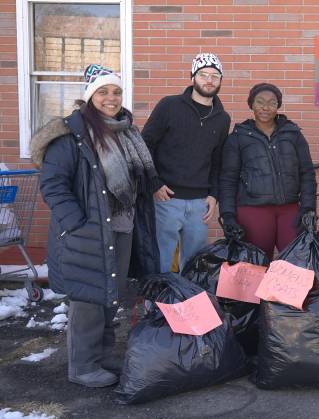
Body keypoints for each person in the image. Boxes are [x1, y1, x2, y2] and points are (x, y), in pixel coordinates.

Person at [32, 65, 159, 387]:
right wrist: (76, 222)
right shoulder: (71, 137)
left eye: (116, 91)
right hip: (87, 231)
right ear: (89, 96)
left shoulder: (126, 132)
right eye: (103, 91)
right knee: (88, 299)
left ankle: (101, 357)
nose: (111, 98)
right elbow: (53, 185)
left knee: (109, 295)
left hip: (121, 225)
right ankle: (83, 367)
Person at [142, 53, 231, 273]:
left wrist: (214, 194)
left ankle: (188, 304)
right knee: (161, 259)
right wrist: (154, 182)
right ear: (193, 76)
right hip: (166, 198)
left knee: (194, 264)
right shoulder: (169, 106)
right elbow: (145, 145)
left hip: (199, 204)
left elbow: (217, 159)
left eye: (215, 75)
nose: (209, 80)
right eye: (203, 74)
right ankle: (156, 304)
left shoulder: (222, 118)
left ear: (220, 80)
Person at [219, 83, 316, 260]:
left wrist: (308, 208)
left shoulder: (293, 134)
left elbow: (307, 174)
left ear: (278, 106)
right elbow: (228, 179)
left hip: (290, 210)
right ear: (251, 104)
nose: (266, 107)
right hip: (253, 211)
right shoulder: (238, 137)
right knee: (257, 266)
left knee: (295, 263)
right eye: (260, 102)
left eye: (272, 103)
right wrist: (228, 216)